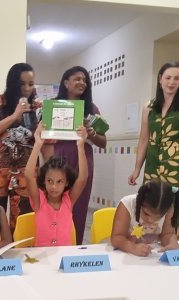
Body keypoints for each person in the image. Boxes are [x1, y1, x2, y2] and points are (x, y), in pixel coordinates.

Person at [127, 61, 179, 245]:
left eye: (177, 78)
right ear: (160, 79)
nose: (172, 82)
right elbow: (144, 139)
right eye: (168, 78)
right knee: (152, 206)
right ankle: (151, 247)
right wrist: (137, 169)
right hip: (153, 167)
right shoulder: (149, 106)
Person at [0, 62, 42, 229]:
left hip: (26, 168)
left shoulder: (38, 107)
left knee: (23, 216)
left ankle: (19, 245)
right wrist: (14, 116)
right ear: (12, 84)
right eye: (22, 84)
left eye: (31, 84)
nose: (27, 89)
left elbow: (42, 137)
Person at [53, 66, 107, 244]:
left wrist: (92, 133)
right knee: (56, 202)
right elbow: (44, 137)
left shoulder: (91, 109)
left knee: (80, 205)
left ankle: (75, 246)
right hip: (58, 159)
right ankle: (55, 242)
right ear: (66, 83)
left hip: (83, 158)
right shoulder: (54, 106)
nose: (82, 82)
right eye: (77, 79)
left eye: (84, 80)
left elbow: (103, 142)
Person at [25, 124, 88, 247]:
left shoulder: (68, 200)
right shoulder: (39, 201)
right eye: (50, 181)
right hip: (43, 256)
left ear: (66, 182)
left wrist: (81, 146)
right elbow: (28, 175)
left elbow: (83, 178)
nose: (54, 186)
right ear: (44, 180)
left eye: (59, 182)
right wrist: (38, 144)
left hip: (64, 254)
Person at [110, 180, 179, 257]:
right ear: (139, 202)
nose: (151, 220)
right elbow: (117, 238)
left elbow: (167, 233)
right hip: (126, 254)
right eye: (146, 213)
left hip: (152, 256)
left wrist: (172, 243)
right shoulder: (127, 204)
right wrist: (132, 247)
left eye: (159, 217)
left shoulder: (168, 208)